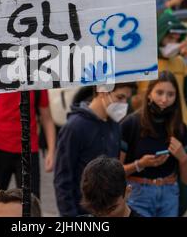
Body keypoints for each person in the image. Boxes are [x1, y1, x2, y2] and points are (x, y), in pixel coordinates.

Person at [54, 82, 135, 217]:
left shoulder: (115, 125)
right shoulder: (74, 127)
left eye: (127, 98)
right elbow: (62, 179)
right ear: (102, 92)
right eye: (120, 97)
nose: (124, 104)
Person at [121, 71, 187, 217]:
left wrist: (183, 158)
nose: (164, 99)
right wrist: (140, 164)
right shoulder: (131, 123)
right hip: (137, 192)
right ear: (149, 93)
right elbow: (116, 171)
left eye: (170, 94)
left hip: (169, 194)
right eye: (159, 92)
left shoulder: (179, 128)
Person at [0, 90, 56, 199]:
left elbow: (47, 119)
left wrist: (51, 152)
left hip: (28, 152)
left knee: (31, 201)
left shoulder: (37, 81)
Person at [133, 12, 187, 139]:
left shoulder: (180, 62)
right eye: (170, 38)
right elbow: (131, 100)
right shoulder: (142, 61)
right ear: (159, 36)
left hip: (183, 130)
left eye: (177, 40)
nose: (174, 43)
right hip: (150, 130)